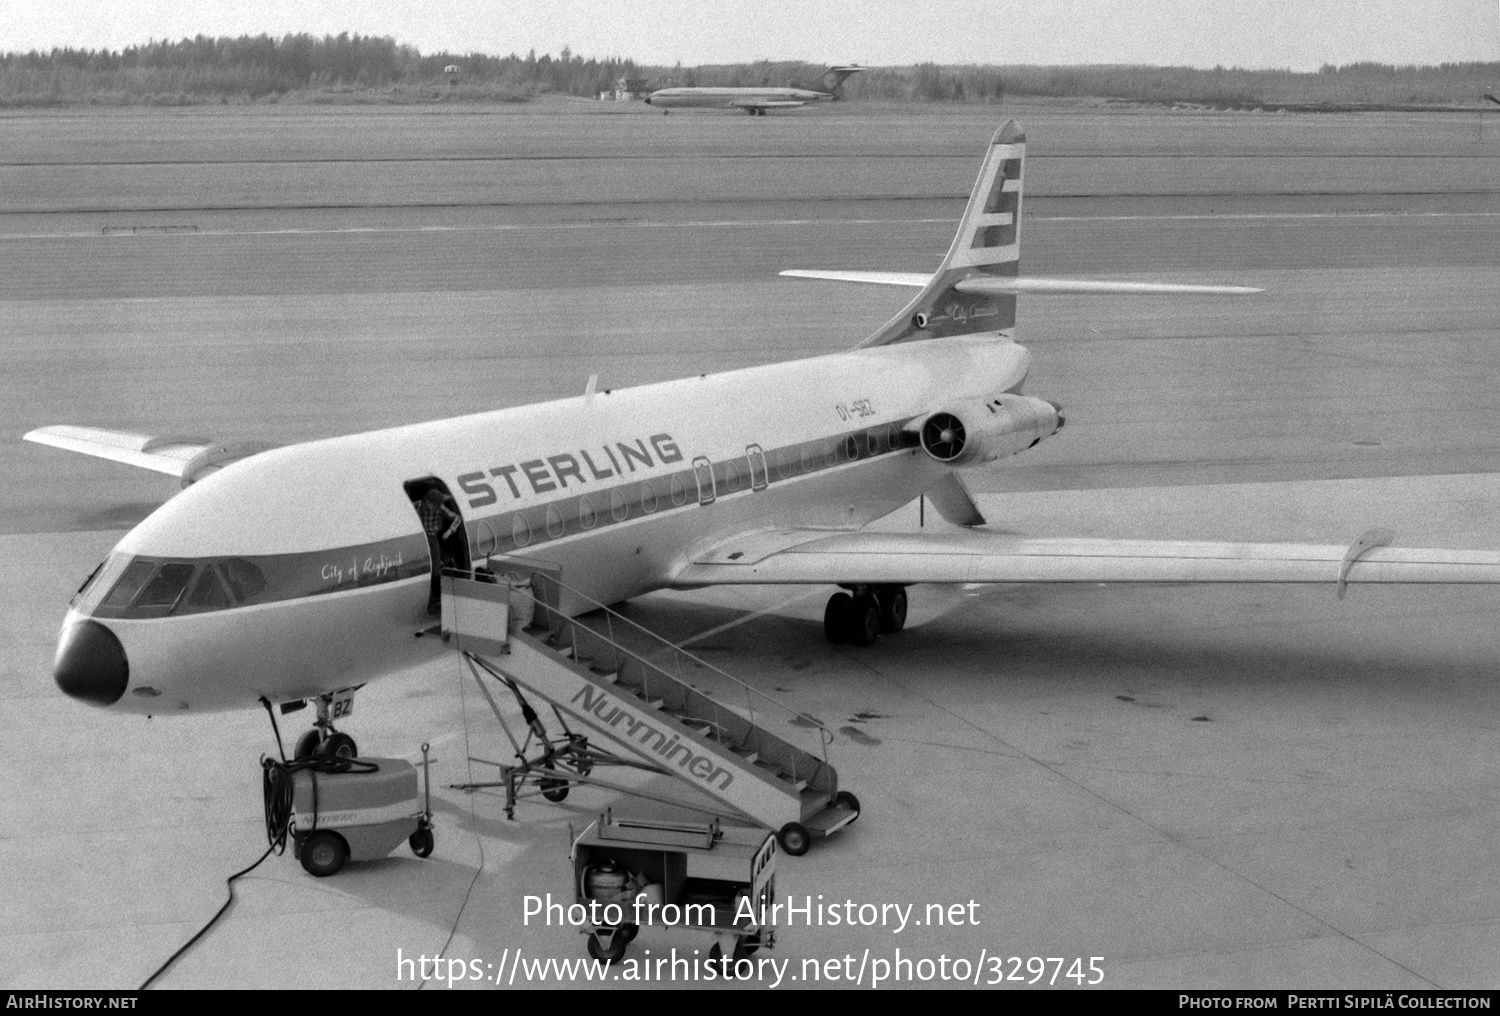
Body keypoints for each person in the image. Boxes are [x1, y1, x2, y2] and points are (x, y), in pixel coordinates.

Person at [417, 489, 461, 614]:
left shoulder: (440, 508)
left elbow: (457, 518)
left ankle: (436, 597)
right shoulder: (418, 509)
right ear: (427, 502)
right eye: (435, 504)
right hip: (422, 539)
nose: (437, 506)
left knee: (435, 569)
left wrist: (450, 531)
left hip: (433, 538)